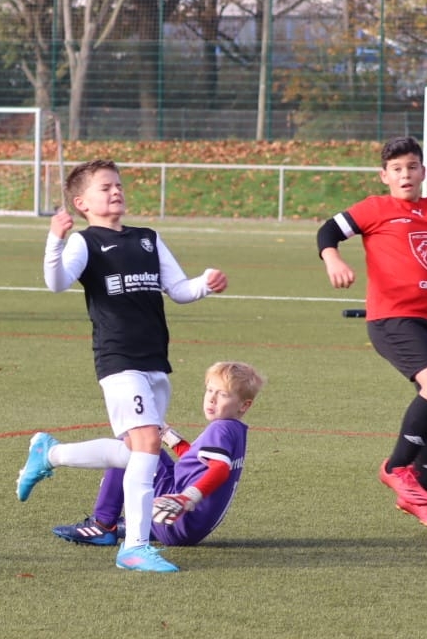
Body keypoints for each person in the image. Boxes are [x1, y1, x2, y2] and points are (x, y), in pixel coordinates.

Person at [16, 158, 227, 573]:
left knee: (136, 454)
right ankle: (134, 547)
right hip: (118, 358)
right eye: (105, 187)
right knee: (148, 442)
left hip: (155, 360)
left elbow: (178, 289)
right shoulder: (84, 242)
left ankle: (50, 453)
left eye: (118, 185)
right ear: (81, 203)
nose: (116, 191)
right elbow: (56, 283)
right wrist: (55, 240)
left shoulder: (148, 239)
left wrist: (204, 283)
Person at [316, 136, 427, 531]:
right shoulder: (374, 208)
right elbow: (328, 231)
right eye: (397, 169)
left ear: (423, 172)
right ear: (384, 176)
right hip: (391, 318)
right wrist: (333, 259)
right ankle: (396, 468)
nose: (405, 175)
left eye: (412, 167)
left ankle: (418, 496)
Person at [41, 361, 265, 549]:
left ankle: (102, 525)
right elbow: (196, 463)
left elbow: (220, 470)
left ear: (244, 405)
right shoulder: (235, 430)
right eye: (209, 390)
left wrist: (187, 498)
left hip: (177, 519)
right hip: (186, 527)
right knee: (148, 448)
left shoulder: (221, 429)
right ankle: (138, 523)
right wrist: (168, 435)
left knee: (132, 446)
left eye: (223, 394)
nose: (212, 398)